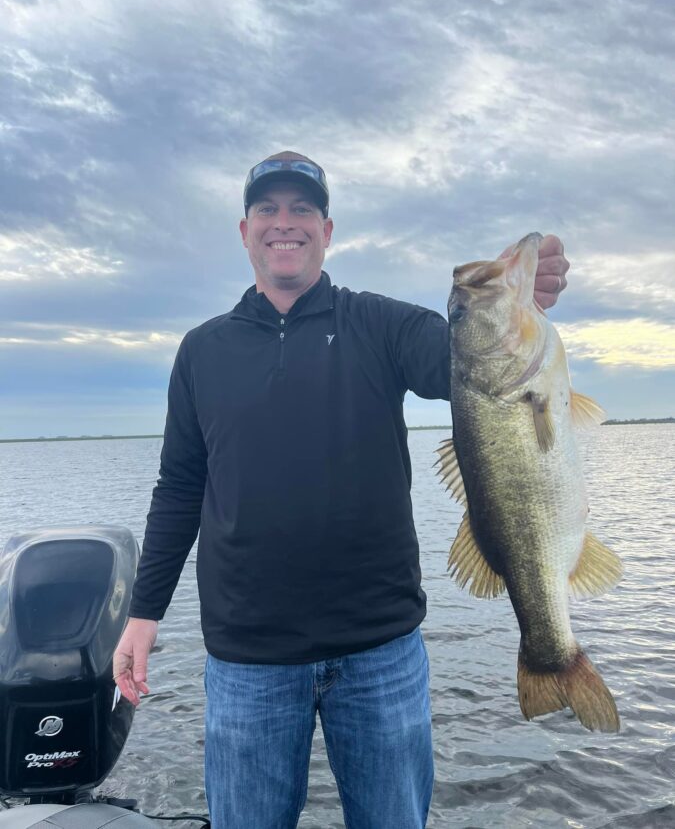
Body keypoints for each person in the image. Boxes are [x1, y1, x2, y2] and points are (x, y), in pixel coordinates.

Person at [113, 152, 569, 829]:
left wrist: (524, 299)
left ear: (327, 230)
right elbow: (180, 487)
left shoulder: (381, 325)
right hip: (248, 657)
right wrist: (143, 614)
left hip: (379, 649)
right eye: (267, 209)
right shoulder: (202, 350)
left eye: (301, 209)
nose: (283, 224)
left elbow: (470, 368)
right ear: (244, 232)